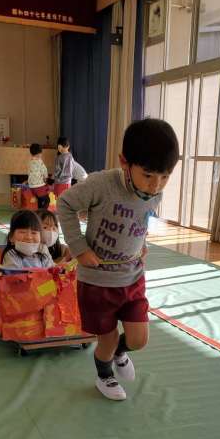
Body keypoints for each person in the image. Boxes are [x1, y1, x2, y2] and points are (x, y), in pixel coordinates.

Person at [57, 118, 179, 401]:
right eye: (148, 175)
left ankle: (119, 353)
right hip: (98, 281)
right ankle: (104, 375)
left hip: (132, 276)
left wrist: (142, 243)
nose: (155, 185)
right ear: (125, 162)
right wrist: (78, 247)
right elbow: (65, 205)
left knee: (139, 339)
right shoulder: (101, 184)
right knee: (107, 339)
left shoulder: (154, 192)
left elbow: (140, 219)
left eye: (165, 177)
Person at [28, 143, 50, 209]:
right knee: (47, 200)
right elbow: (44, 171)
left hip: (31, 187)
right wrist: (46, 178)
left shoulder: (30, 162)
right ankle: (43, 213)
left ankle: (39, 212)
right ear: (39, 153)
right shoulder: (39, 161)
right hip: (39, 186)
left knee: (40, 200)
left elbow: (29, 173)